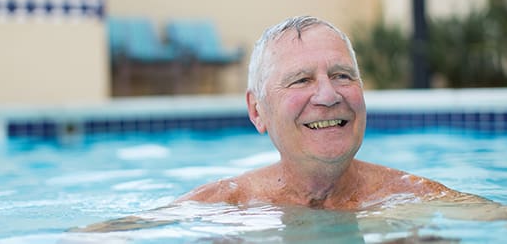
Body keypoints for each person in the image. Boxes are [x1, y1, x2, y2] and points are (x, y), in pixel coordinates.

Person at [175, 15, 482, 210]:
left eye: (342, 76)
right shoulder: (221, 209)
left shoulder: (415, 199)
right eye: (301, 80)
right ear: (257, 111)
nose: (328, 95)